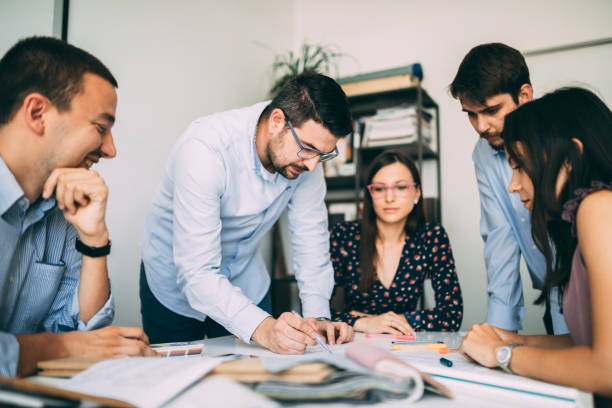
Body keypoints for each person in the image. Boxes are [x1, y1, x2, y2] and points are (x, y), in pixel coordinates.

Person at [140, 72, 354, 354]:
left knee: (252, 382)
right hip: (175, 286)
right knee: (177, 385)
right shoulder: (205, 149)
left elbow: (311, 242)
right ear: (277, 121)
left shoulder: (307, 160)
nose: (313, 166)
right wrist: (263, 328)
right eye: (308, 149)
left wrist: (318, 316)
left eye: (323, 155)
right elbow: (198, 273)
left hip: (245, 279)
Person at [0, 37, 156, 377]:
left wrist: (94, 238)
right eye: (101, 128)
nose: (110, 150)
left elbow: (92, 341)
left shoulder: (61, 212)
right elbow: (78, 347)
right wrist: (65, 348)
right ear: (37, 113)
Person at [460, 87, 612, 400]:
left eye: (519, 166)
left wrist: (503, 355)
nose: (512, 186)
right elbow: (585, 343)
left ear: (570, 158)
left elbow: (606, 368)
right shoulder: (582, 216)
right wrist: (511, 340)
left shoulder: (598, 208)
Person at [450, 43, 568, 336]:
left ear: (524, 95)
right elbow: (499, 237)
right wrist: (500, 332)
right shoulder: (484, 154)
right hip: (554, 299)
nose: (481, 126)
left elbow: (569, 245)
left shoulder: (563, 139)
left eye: (491, 110)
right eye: (471, 114)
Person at [330, 150, 463, 333]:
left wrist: (384, 322)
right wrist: (364, 323)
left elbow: (452, 315)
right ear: (370, 194)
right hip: (355, 342)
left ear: (417, 193)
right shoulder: (344, 235)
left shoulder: (432, 237)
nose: (389, 198)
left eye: (401, 187)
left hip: (404, 343)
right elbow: (316, 313)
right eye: (379, 188)